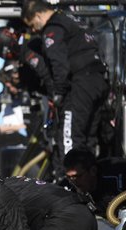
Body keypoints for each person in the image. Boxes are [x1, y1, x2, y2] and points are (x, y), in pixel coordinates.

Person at [21, 0, 109, 172]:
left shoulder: (52, 29)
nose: (34, 30)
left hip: (81, 84)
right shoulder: (70, 19)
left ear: (38, 15)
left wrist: (58, 93)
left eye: (32, 24)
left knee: (70, 138)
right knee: (88, 137)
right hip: (99, 82)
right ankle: (89, 183)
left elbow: (59, 65)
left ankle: (71, 186)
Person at [63, 148, 126, 217]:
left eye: (78, 176)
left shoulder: (118, 172)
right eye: (69, 177)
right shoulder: (67, 186)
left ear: (93, 171)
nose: (73, 181)